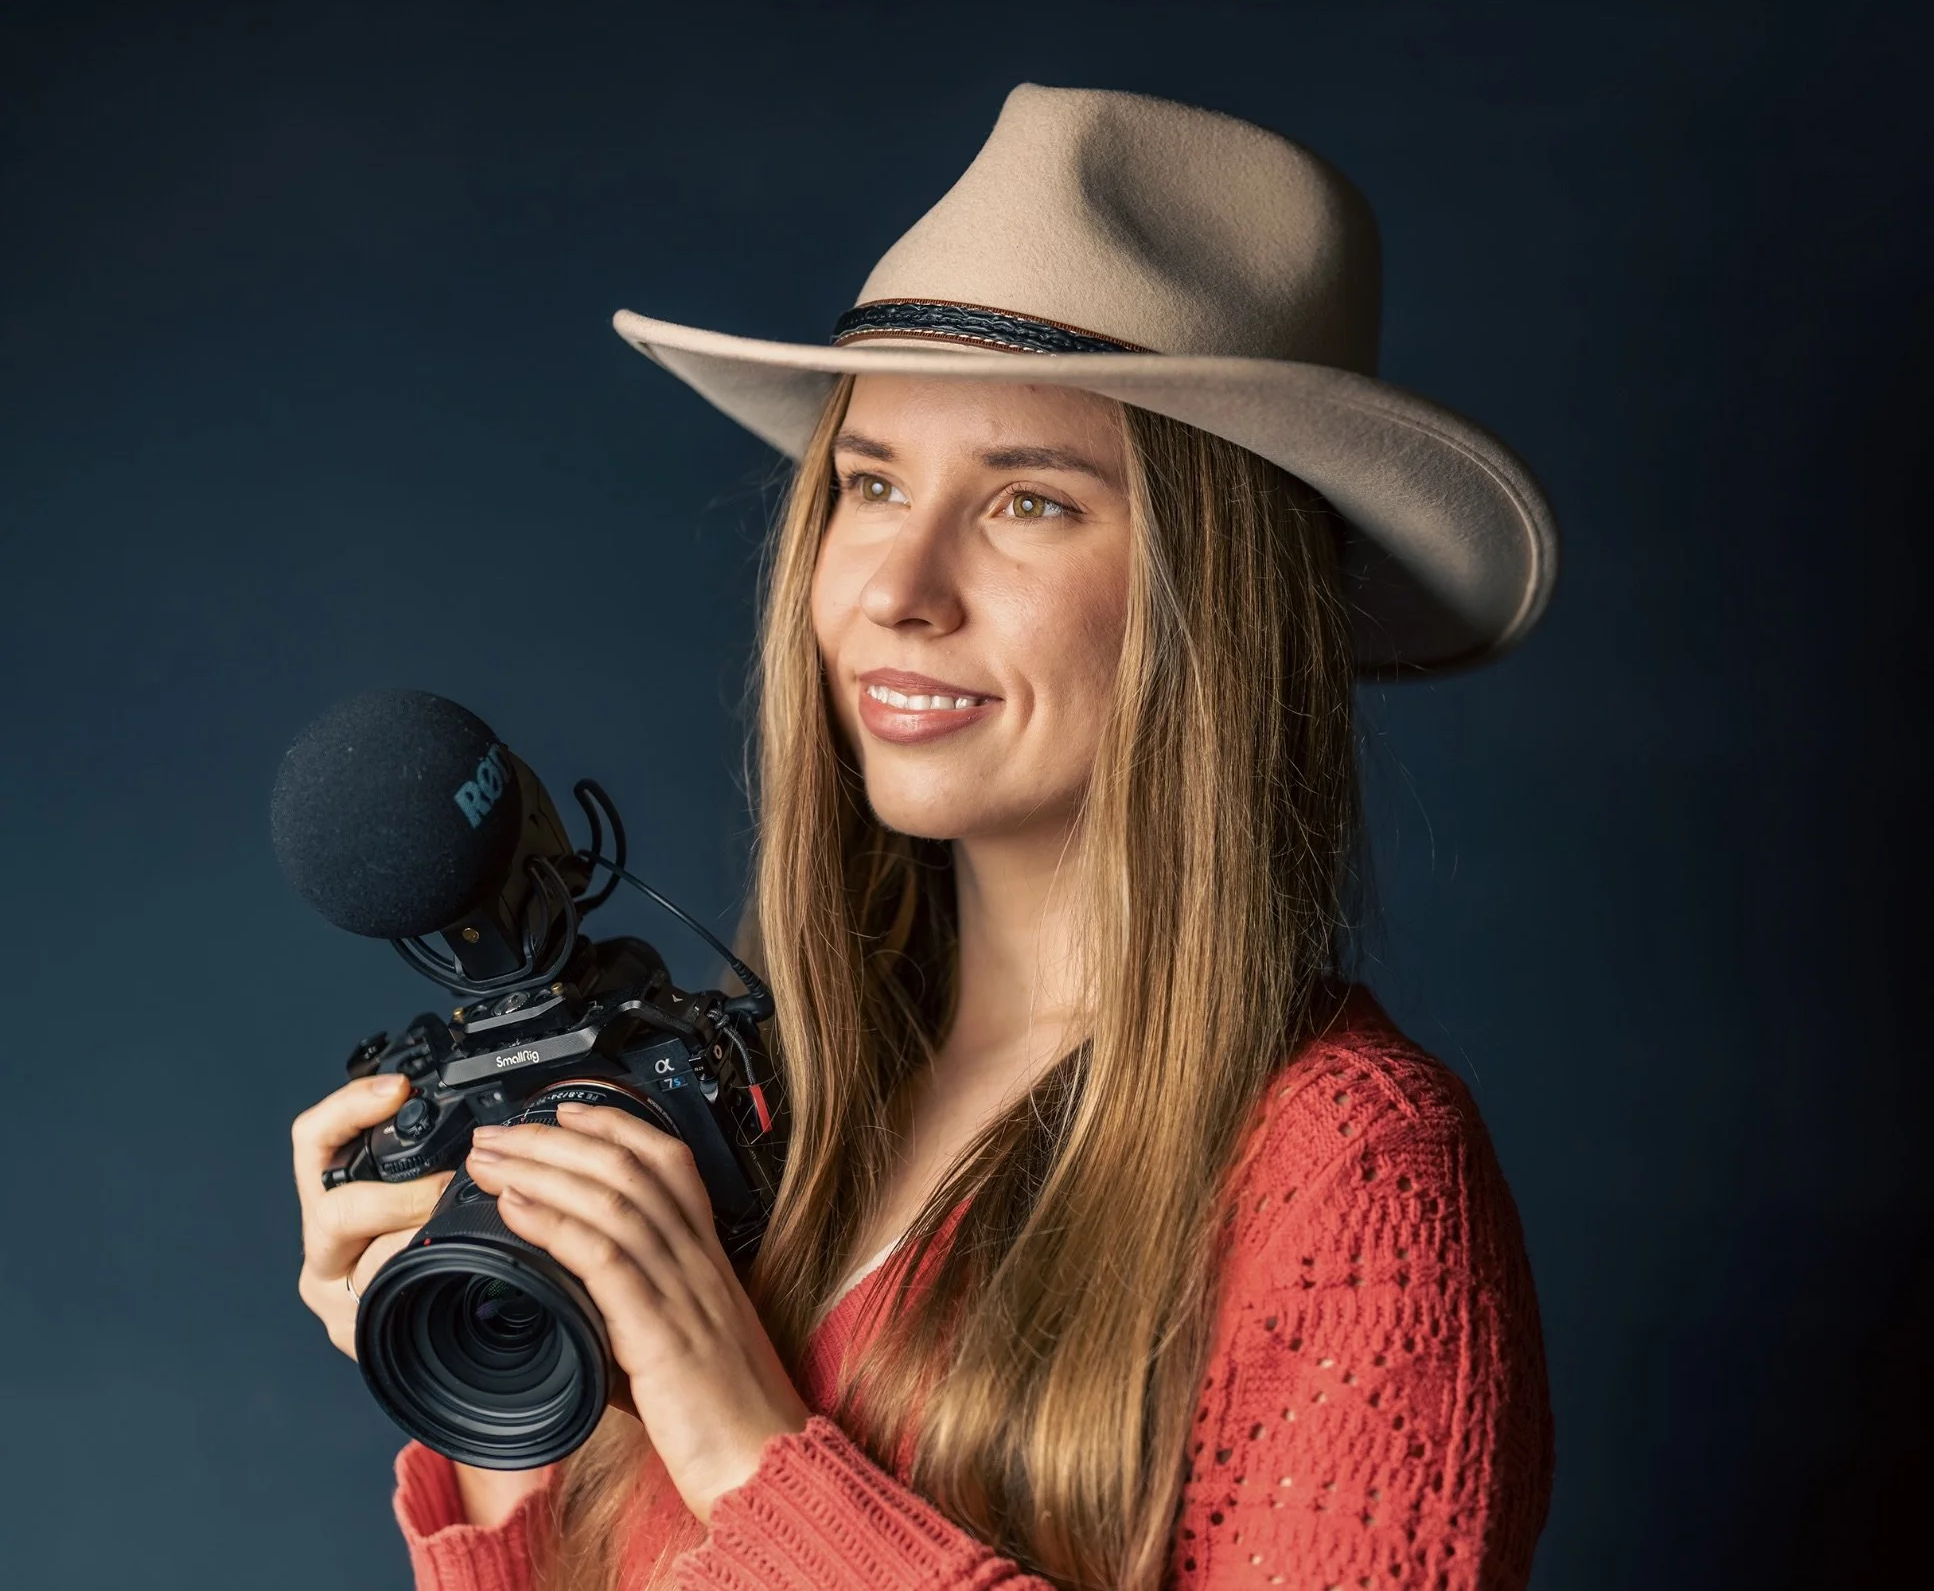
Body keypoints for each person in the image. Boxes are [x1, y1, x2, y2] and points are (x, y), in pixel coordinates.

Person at [292, 82, 1559, 1591]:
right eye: (868, 482)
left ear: (1219, 605)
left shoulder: (1352, 1169)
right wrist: (520, 1407)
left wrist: (745, 1444)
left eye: (1028, 500)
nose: (899, 584)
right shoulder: (771, 1105)